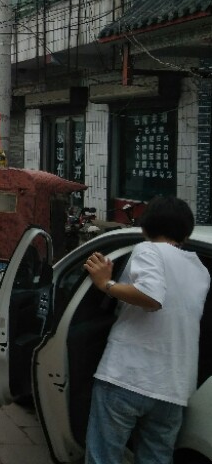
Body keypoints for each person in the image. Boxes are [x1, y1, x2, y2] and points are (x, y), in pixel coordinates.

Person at [83, 196, 209, 464]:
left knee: (103, 458)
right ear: (186, 232)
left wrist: (105, 283)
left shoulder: (148, 250)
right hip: (173, 390)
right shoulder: (200, 269)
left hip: (127, 377)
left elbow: (151, 296)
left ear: (145, 227)